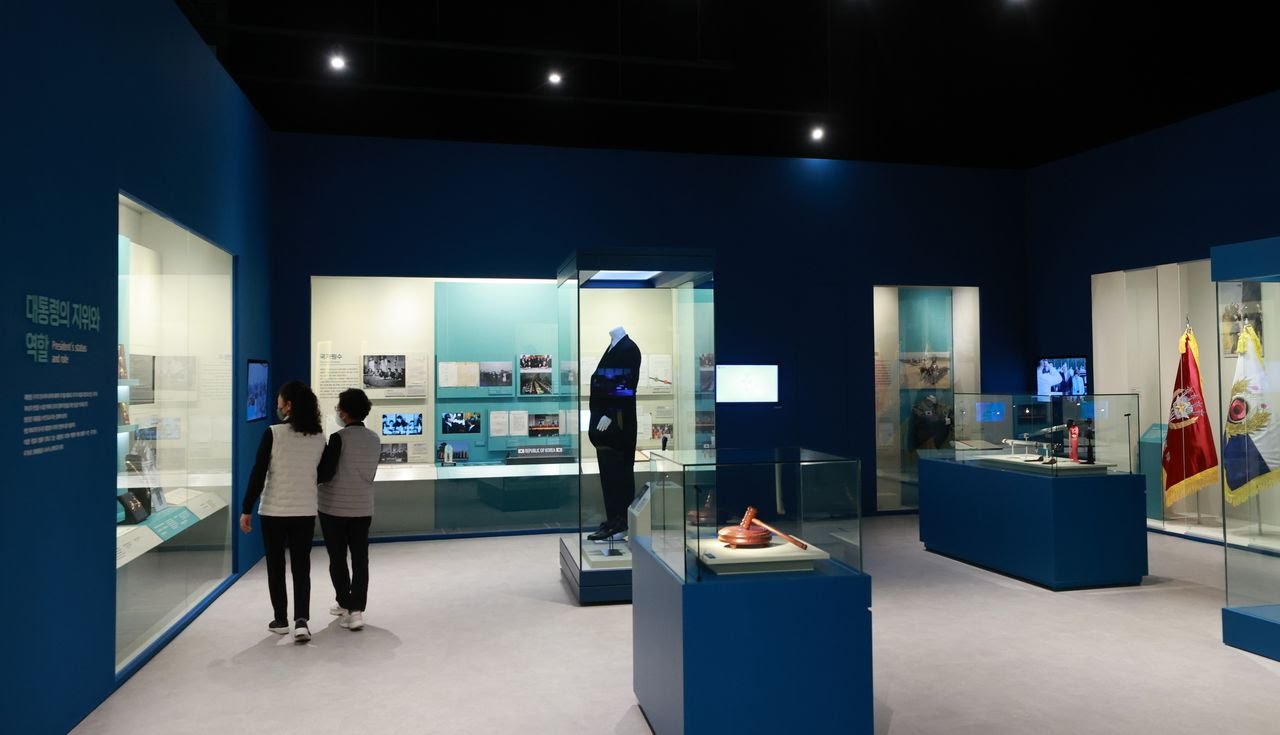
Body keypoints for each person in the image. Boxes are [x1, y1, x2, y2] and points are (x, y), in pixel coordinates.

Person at [240, 381, 326, 642]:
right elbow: (322, 473)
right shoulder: (319, 437)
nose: (277, 405)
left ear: (288, 405)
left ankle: (280, 619)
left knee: (276, 566)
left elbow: (258, 473)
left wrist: (246, 508)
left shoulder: (273, 433)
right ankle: (302, 621)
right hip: (305, 510)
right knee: (302, 567)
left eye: (279, 401)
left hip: (273, 511)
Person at [316, 388, 381, 631]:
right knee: (360, 558)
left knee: (338, 558)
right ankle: (357, 611)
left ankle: (344, 602)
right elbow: (370, 474)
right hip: (362, 507)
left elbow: (325, 473)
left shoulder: (338, 438)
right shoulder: (374, 439)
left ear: (344, 413)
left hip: (334, 507)